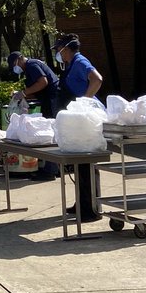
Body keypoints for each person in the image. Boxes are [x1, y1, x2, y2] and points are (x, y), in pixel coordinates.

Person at [53, 34, 105, 220]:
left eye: (58, 50)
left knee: (86, 164)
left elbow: (97, 79)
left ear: (66, 49)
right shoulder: (70, 65)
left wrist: (84, 101)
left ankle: (91, 209)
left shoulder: (80, 61)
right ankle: (82, 203)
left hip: (86, 122)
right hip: (77, 123)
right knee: (80, 165)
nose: (58, 54)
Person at [8, 50, 60, 181]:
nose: (16, 68)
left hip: (53, 100)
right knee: (52, 132)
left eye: (15, 64)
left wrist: (24, 93)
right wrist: (20, 95)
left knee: (51, 133)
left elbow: (43, 82)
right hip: (49, 100)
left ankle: (51, 170)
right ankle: (54, 167)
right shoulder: (29, 69)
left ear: (20, 59)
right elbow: (36, 88)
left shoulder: (32, 65)